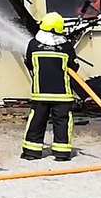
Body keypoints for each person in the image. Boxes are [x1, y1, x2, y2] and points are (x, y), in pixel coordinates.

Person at [21, 12, 80, 162]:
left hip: (40, 93)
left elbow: (29, 63)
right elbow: (73, 67)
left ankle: (31, 152)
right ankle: (62, 153)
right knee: (62, 122)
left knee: (37, 121)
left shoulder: (33, 44)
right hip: (62, 94)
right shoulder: (66, 46)